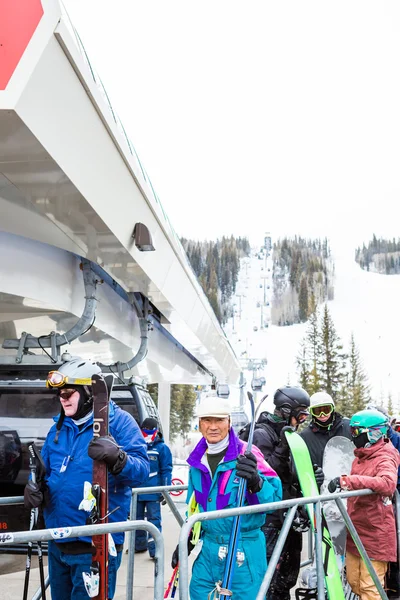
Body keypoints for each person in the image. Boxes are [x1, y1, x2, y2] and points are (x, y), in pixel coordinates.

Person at [24, 358, 150, 600]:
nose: (63, 398)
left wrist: (119, 459)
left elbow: (142, 471)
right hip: (58, 539)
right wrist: (34, 486)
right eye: (60, 393)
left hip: (95, 544)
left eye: (69, 392)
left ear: (90, 393)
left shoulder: (119, 423)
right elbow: (46, 471)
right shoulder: (58, 428)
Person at [171, 395, 282, 600]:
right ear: (200, 424)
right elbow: (194, 507)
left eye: (219, 420)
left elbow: (274, 500)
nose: (213, 426)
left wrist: (256, 482)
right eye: (207, 420)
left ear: (229, 422)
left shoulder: (248, 453)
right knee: (197, 594)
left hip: (243, 550)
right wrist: (187, 540)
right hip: (209, 550)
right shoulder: (197, 460)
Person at [241, 385, 322, 600]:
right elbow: (264, 474)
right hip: (269, 520)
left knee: (286, 577)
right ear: (287, 410)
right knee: (269, 577)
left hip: (287, 515)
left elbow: (289, 475)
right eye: (301, 414)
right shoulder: (261, 434)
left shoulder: (289, 435)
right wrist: (283, 447)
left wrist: (310, 478)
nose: (303, 420)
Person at [328, 408, 400, 600]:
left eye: (356, 432)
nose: (353, 437)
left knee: (370, 586)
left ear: (373, 432)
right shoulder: (361, 455)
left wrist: (348, 481)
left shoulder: (385, 456)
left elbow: (387, 483)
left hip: (375, 531)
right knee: (353, 581)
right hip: (356, 529)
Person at [135, 417, 173, 558]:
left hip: (153, 492)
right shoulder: (137, 445)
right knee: (136, 521)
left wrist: (165, 489)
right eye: (144, 431)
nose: (147, 435)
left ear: (156, 432)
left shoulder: (162, 449)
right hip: (136, 492)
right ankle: (138, 546)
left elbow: (166, 469)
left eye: (149, 432)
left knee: (154, 521)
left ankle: (154, 551)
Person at [300, 391, 352, 468]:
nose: (322, 415)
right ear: (312, 412)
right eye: (317, 411)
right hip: (321, 479)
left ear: (332, 409)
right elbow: (302, 465)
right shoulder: (305, 436)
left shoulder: (349, 427)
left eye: (326, 410)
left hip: (348, 477)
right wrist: (314, 474)